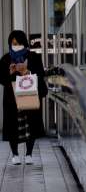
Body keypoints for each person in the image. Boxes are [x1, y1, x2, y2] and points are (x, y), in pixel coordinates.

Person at [0, 30, 48, 165]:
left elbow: (40, 74)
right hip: (11, 96)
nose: (16, 45)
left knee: (30, 123)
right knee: (12, 124)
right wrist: (10, 73)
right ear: (10, 43)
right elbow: (2, 80)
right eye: (14, 43)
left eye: (19, 42)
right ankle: (15, 154)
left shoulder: (32, 57)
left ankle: (29, 154)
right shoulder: (5, 59)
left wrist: (28, 72)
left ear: (24, 43)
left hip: (29, 94)